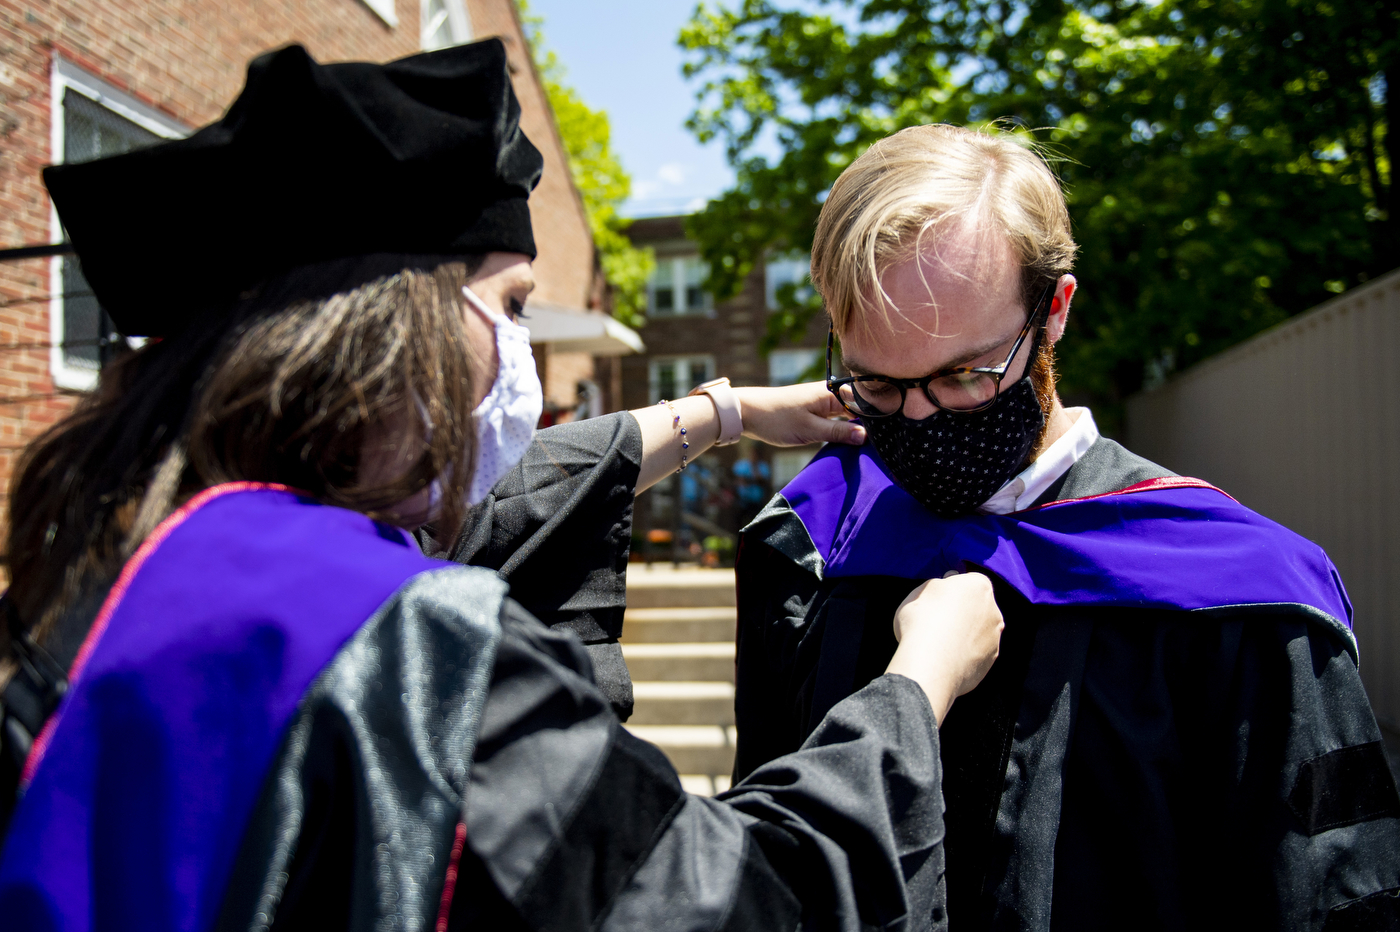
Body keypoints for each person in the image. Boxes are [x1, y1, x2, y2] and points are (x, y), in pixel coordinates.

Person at [0, 42, 1006, 932]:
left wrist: (728, 410)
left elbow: (519, 502)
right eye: (512, 304)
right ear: (402, 325)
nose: (522, 356)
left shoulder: (123, 574)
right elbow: (731, 899)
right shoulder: (411, 650)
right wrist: (915, 684)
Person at [732, 124, 1400, 930]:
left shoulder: (1246, 595)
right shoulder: (810, 546)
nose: (918, 414)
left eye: (962, 375)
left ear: (1054, 311)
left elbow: (1335, 903)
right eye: (876, 380)